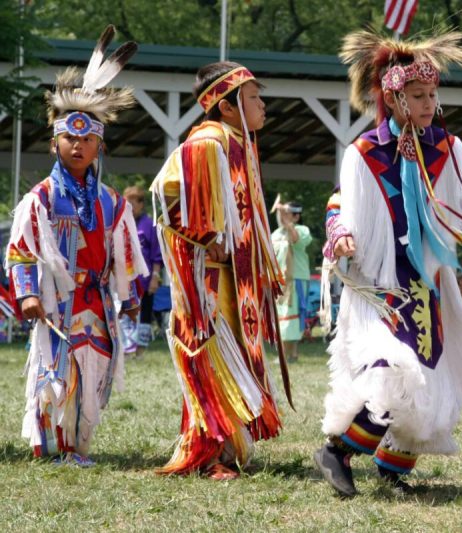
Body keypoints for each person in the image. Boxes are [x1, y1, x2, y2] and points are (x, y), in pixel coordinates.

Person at [314, 30, 462, 497]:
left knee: (431, 373)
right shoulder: (364, 154)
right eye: (418, 95)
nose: (429, 103)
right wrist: (342, 234)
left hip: (429, 281)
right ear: (393, 97)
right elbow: (343, 206)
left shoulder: (448, 148)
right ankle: (339, 451)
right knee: (394, 369)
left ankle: (393, 470)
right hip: (382, 281)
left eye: (433, 94)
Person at [6, 26, 146, 465]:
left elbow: (126, 257)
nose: (79, 146)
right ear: (55, 143)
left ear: (99, 145)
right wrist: (28, 292)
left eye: (88, 140)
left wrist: (133, 296)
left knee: (94, 370)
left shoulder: (112, 202)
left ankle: (78, 445)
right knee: (56, 371)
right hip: (58, 301)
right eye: (71, 138)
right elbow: (22, 250)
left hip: (97, 302)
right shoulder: (41, 199)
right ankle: (51, 446)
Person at [151, 61, 291, 480]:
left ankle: (226, 448)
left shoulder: (237, 144)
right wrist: (202, 237)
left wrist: (261, 266)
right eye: (253, 98)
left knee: (230, 361)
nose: (262, 105)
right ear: (227, 107)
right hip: (208, 279)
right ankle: (206, 454)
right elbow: (164, 196)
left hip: (234, 279)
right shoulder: (207, 143)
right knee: (210, 359)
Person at [120, 185, 163, 357]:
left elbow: (156, 255)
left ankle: (140, 350)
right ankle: (126, 348)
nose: (129, 208)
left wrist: (155, 277)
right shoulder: (122, 224)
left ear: (141, 204)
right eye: (126, 204)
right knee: (123, 312)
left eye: (132, 204)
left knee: (144, 314)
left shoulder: (150, 225)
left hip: (145, 280)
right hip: (125, 279)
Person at [272, 200, 313, 362]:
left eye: (287, 213)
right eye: (282, 213)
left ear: (296, 216)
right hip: (280, 280)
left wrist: (289, 224)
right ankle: (286, 354)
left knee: (293, 316)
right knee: (281, 316)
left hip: (296, 279)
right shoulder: (275, 234)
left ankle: (289, 354)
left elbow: (295, 240)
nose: (282, 216)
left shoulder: (302, 230)